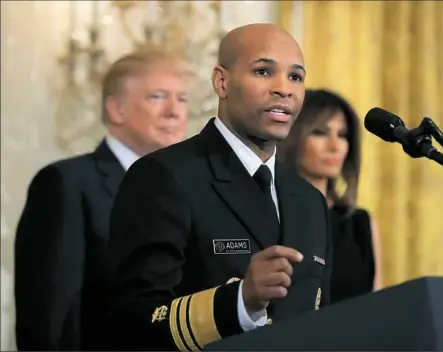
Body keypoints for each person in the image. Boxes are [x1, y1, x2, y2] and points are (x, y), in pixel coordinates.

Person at [104, 23, 332, 351]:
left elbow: (323, 323)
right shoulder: (165, 177)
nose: (284, 88)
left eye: (296, 77)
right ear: (221, 82)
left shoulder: (309, 199)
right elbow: (132, 321)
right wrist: (239, 302)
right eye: (264, 71)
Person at [14, 49, 190, 351]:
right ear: (116, 109)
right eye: (158, 97)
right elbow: (51, 316)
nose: (174, 111)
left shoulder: (189, 188)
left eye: (182, 99)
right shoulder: (66, 183)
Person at [277, 88, 383, 304]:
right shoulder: (271, 212)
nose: (335, 146)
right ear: (292, 136)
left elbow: (377, 304)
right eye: (320, 132)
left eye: (342, 135)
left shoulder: (360, 223)